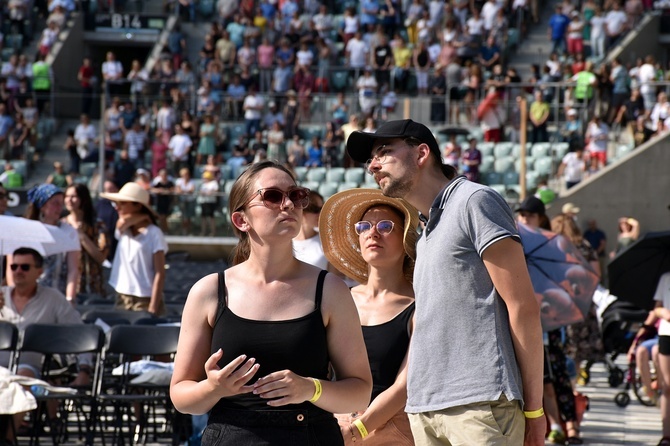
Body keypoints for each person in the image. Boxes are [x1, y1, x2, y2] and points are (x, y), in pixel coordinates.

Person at [346, 119, 545, 445]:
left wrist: (534, 411)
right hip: (425, 412)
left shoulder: (474, 201)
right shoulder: (425, 234)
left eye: (383, 152)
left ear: (422, 153)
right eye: (370, 158)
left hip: (479, 404)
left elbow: (522, 308)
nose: (373, 165)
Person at [169, 161, 373, 445]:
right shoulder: (209, 291)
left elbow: (360, 391)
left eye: (296, 195)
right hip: (231, 436)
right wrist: (214, 388)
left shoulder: (330, 290)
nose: (288, 204)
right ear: (241, 220)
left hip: (309, 436)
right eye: (273, 196)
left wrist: (310, 389)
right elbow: (181, 397)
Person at [320, 188, 418, 445]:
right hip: (334, 425)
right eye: (364, 226)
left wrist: (356, 431)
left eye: (385, 226)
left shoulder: (420, 305)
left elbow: (405, 386)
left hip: (393, 431)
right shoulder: (338, 298)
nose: (372, 233)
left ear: (405, 238)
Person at [0, 247, 93, 433]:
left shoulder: (53, 299)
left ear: (39, 271)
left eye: (25, 267)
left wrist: (84, 369)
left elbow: (80, 333)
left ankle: (7, 438)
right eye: (14, 266)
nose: (18, 271)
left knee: (21, 378)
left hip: (31, 367)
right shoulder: (1, 296)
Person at [516, 199, 583, 444]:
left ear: (541, 218)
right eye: (521, 214)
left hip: (551, 320)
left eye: (530, 215)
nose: (525, 219)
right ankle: (554, 424)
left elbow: (567, 282)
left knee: (559, 375)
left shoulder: (553, 245)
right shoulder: (512, 241)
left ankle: (571, 425)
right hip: (524, 320)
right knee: (538, 379)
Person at [100, 182, 168, 316]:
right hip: (122, 297)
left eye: (123, 203)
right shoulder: (123, 229)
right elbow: (122, 223)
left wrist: (153, 306)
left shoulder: (155, 233)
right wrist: (143, 216)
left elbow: (160, 273)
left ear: (138, 206)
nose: (117, 207)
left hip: (145, 300)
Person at [16, 184, 81, 303]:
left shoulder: (68, 231)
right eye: (55, 203)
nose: (59, 208)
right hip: (30, 296)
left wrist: (70, 298)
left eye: (61, 203)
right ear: (42, 206)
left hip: (58, 296)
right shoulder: (26, 231)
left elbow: (73, 269)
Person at [63, 184, 109, 296]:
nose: (69, 200)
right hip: (67, 284)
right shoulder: (61, 225)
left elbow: (101, 257)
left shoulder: (97, 225)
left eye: (74, 196)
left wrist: (81, 235)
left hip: (91, 283)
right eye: (67, 196)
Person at [653, 271, 670, 446]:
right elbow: (656, 306)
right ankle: (666, 434)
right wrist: (662, 312)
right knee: (667, 385)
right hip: (667, 334)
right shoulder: (665, 278)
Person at [292, 191, 328, 270]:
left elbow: (334, 276)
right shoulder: (284, 242)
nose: (321, 213)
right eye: (315, 209)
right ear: (301, 211)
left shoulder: (327, 241)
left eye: (322, 208)